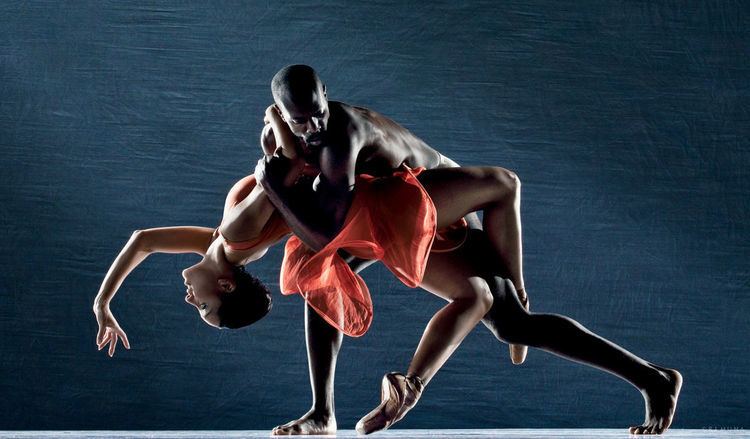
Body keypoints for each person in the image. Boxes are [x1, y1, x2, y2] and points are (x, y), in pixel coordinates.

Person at [93, 98, 681, 436]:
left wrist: (103, 303)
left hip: (398, 206)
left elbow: (147, 238)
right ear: (226, 282)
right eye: (205, 310)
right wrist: (278, 139)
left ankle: (340, 406)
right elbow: (275, 180)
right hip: (379, 223)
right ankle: (653, 379)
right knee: (506, 322)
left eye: (200, 310)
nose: (190, 301)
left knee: (497, 306)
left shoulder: (229, 238)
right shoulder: (230, 241)